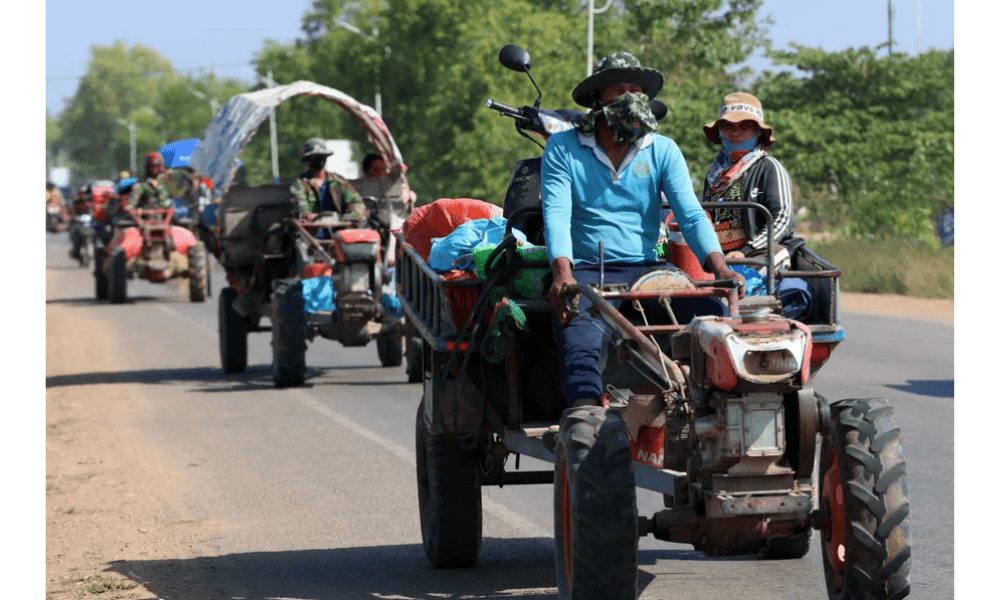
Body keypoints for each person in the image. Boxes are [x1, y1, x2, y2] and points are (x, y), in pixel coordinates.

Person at [541, 52, 745, 409]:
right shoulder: (564, 147)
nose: (628, 99)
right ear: (597, 100)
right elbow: (556, 213)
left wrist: (720, 268)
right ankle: (586, 420)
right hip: (589, 271)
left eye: (635, 91)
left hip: (649, 270)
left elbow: (692, 216)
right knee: (581, 345)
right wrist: (562, 274)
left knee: (714, 324)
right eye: (617, 90)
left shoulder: (662, 149)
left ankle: (712, 411)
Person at [701, 92, 802, 271]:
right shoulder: (714, 173)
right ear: (719, 131)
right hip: (719, 255)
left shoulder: (769, 167)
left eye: (745, 126)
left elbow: (783, 220)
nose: (735, 132)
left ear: (758, 132)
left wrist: (746, 251)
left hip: (756, 253)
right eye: (727, 126)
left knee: (774, 256)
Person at [290, 138, 365, 220]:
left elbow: (355, 201)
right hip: (313, 229)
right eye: (315, 156)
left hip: (338, 226)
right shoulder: (300, 184)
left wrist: (351, 215)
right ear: (308, 159)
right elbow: (302, 209)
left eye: (322, 156)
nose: (320, 159)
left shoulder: (338, 181)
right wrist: (310, 216)